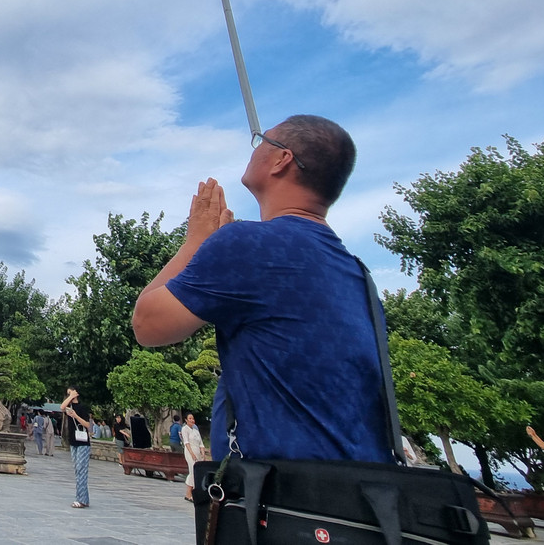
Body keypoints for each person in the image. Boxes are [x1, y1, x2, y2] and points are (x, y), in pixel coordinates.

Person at [132, 115, 388, 462]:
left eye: (261, 141)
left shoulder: (248, 244)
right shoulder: (359, 275)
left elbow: (147, 324)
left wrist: (195, 244)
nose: (254, 150)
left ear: (282, 160)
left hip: (281, 499)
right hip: (361, 494)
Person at [62, 388, 93, 508]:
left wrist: (75, 416)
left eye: (72, 392)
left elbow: (88, 425)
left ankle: (81, 499)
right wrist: (69, 398)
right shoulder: (69, 408)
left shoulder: (82, 408)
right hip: (73, 441)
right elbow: (62, 407)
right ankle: (84, 499)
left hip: (83, 442)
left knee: (81, 470)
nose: (70, 395)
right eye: (68, 393)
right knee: (77, 470)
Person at [181, 413, 205, 502]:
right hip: (190, 452)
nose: (192, 420)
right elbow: (186, 442)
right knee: (192, 471)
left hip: (197, 452)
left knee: (197, 472)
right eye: (190, 418)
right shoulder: (185, 429)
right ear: (186, 420)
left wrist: (202, 454)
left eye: (193, 418)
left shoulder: (196, 431)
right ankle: (190, 493)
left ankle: (189, 494)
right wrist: (192, 453)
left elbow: (201, 443)